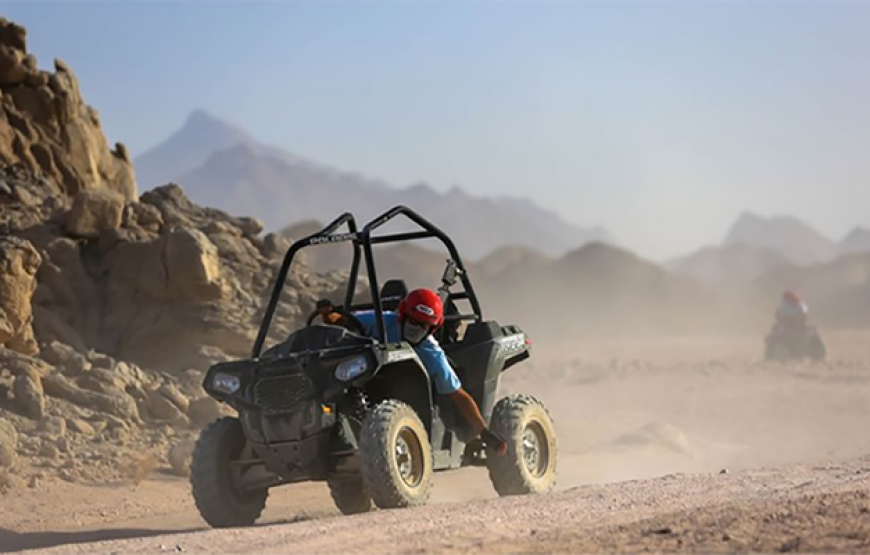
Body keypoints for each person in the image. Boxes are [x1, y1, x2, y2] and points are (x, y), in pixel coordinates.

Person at [354, 288, 508, 456]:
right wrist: (332, 316)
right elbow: (347, 321)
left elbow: (457, 394)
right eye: (413, 322)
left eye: (424, 325)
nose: (417, 329)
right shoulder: (382, 321)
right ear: (402, 316)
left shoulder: (431, 352)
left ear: (432, 328)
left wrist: (483, 431)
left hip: (411, 399)